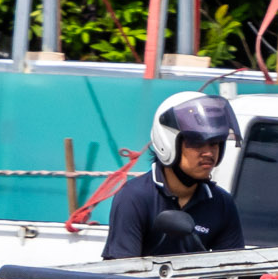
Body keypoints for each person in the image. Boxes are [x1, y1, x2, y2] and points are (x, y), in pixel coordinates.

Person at [103, 92, 247, 258]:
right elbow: (122, 274)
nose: (208, 153)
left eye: (215, 143)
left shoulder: (222, 204)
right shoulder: (135, 198)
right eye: (197, 142)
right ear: (168, 142)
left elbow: (233, 272)